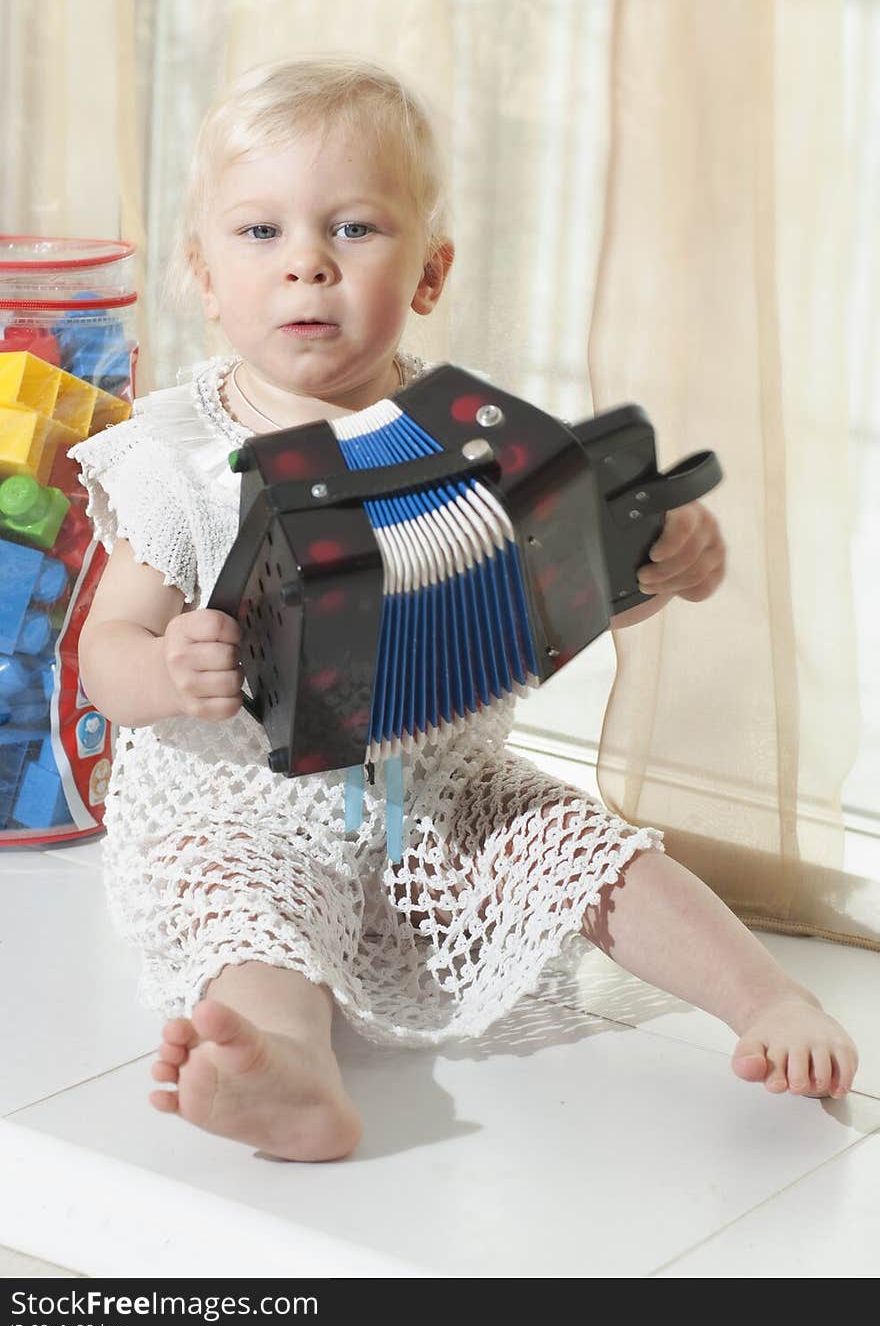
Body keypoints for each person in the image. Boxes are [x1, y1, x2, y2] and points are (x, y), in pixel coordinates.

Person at [69, 56, 858, 1163]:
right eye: (259, 235)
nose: (304, 266)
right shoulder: (176, 457)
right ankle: (284, 1068)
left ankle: (763, 997)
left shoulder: (474, 432)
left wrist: (646, 571)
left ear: (429, 274)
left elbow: (545, 599)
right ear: (202, 276)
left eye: (352, 230)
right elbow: (106, 648)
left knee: (594, 848)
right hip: (242, 800)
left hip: (442, 782)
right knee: (249, 922)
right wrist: (167, 670)